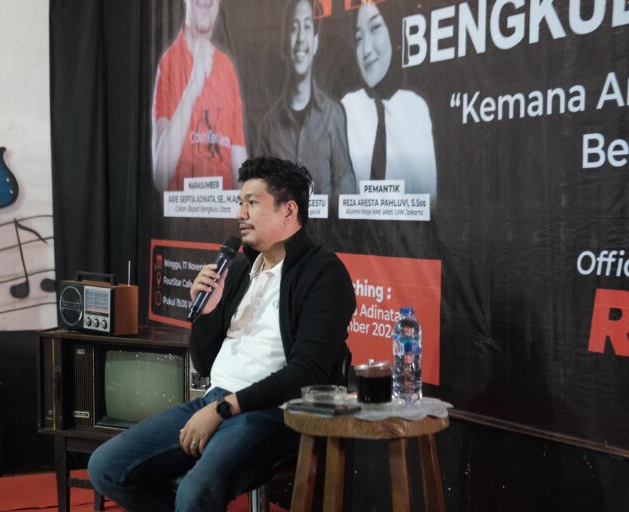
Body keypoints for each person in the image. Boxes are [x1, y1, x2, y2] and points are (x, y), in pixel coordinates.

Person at [88, 156, 356, 511]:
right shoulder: (241, 269)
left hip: (276, 414)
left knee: (194, 492)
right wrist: (207, 313)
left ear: (289, 210)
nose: (240, 213)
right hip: (215, 401)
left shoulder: (323, 274)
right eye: (240, 202)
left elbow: (307, 374)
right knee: (106, 467)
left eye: (252, 203)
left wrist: (224, 408)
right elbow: (203, 363)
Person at [258, 0, 357, 200]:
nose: (301, 38)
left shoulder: (333, 115)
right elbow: (260, 195)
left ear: (315, 43)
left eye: (307, 27)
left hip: (324, 222)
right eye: (294, 29)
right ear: (285, 43)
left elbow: (346, 189)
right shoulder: (268, 127)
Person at [341, 1, 437, 205]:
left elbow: (428, 197)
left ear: (393, 31)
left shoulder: (416, 108)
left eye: (375, 28)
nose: (366, 50)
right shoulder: (345, 109)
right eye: (359, 39)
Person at [151, 0, 248, 192]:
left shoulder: (227, 68)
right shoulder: (168, 64)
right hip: (184, 210)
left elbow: (240, 170)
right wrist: (192, 89)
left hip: (223, 210)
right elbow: (160, 176)